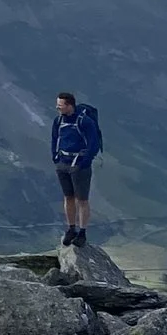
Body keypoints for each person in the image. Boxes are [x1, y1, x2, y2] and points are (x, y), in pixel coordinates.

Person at [50, 92, 103, 248]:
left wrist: (85, 162)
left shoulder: (85, 122)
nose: (57, 108)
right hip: (63, 162)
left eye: (60, 105)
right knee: (68, 197)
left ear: (69, 105)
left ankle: (82, 232)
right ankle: (71, 229)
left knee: (82, 200)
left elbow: (93, 143)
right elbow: (54, 139)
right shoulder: (58, 121)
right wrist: (55, 157)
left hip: (79, 164)